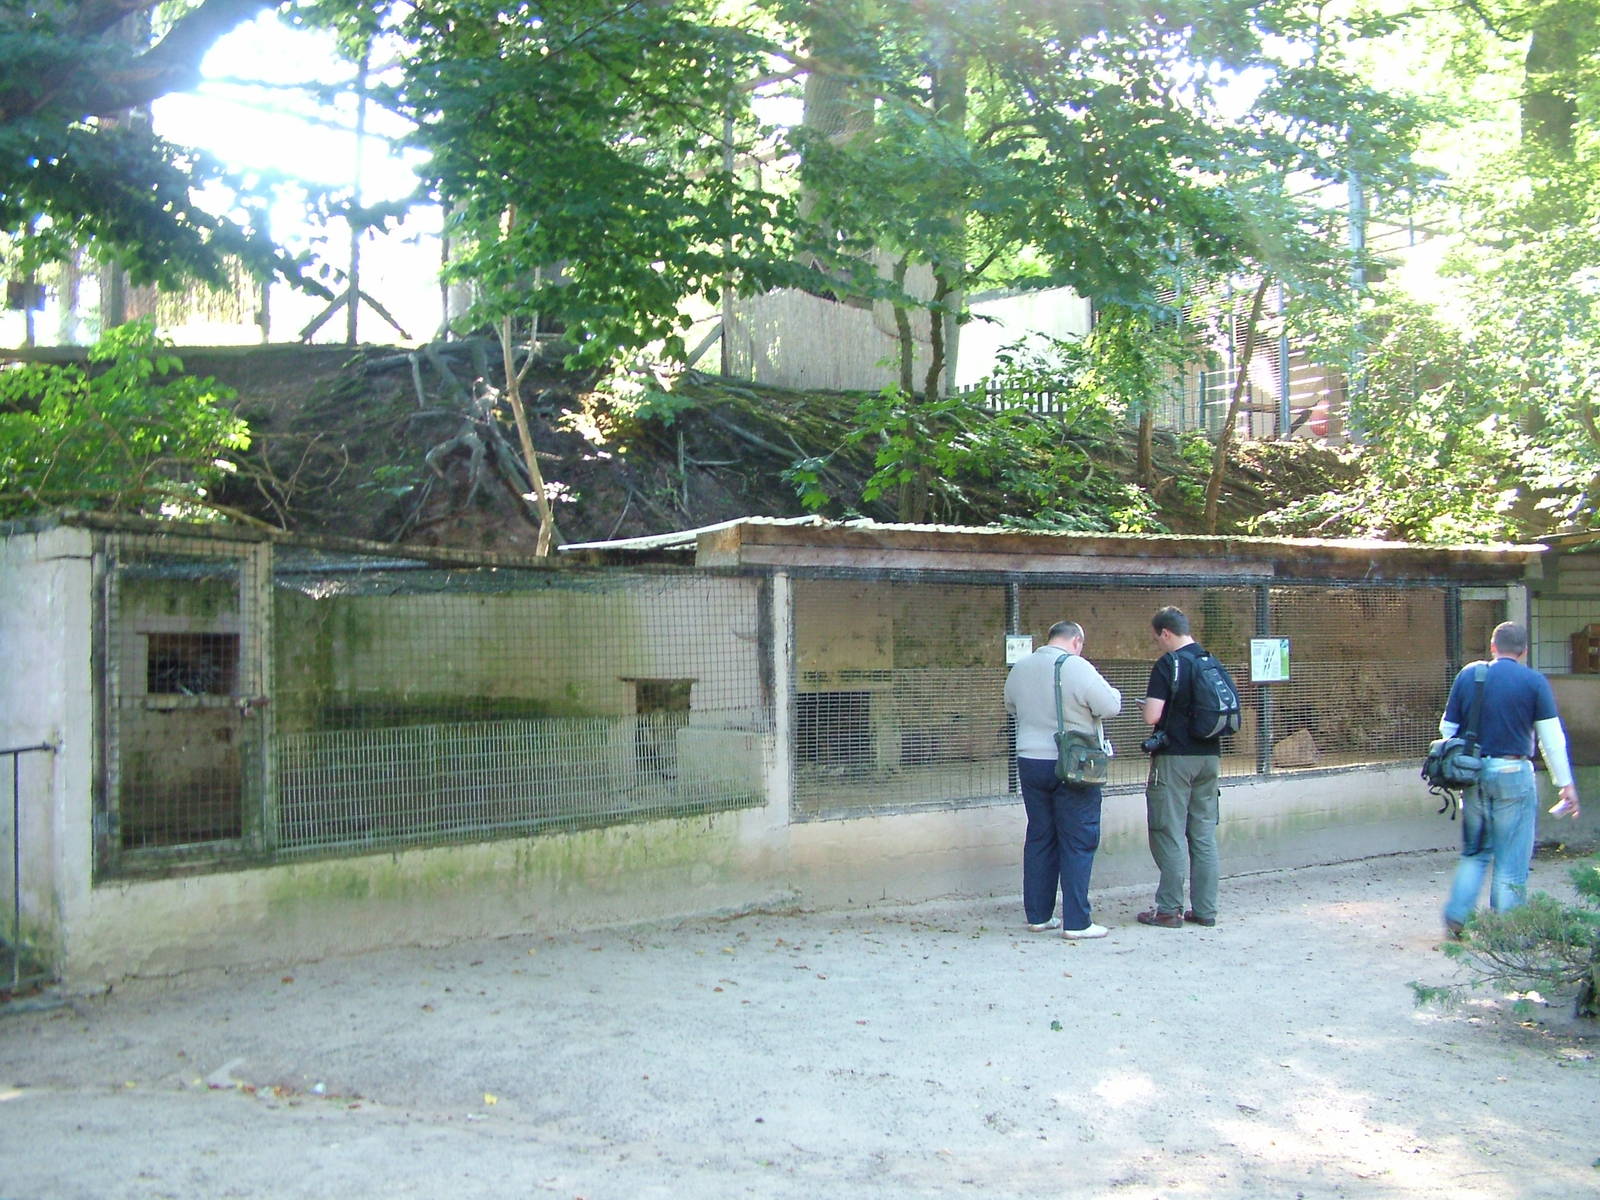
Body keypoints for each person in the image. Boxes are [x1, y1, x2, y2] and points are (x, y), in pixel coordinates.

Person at [1440, 621, 1581, 938]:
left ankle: (1457, 915)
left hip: (1473, 776)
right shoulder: (1534, 681)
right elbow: (1551, 739)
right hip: (1514, 774)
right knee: (1511, 860)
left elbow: (1447, 731)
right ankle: (1506, 931)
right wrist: (1565, 784)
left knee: (1475, 853)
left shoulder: (1469, 675)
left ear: (1492, 647)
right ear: (1524, 651)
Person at [1003, 621, 1122, 939]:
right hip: (1072, 765)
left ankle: (1039, 915)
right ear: (1076, 641)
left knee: (1040, 836)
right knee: (1078, 840)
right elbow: (1110, 706)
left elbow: (1011, 706)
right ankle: (1077, 922)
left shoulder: (1020, 668)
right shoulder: (1077, 667)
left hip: (1030, 761)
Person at [1137, 606, 1223, 929]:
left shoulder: (1168, 664)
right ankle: (1205, 909)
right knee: (1203, 835)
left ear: (1165, 633)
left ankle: (1169, 909)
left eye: (1159, 638)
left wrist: (1149, 706)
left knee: (1168, 830)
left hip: (1175, 759)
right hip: (1209, 757)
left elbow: (1152, 716)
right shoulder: (1209, 661)